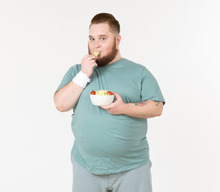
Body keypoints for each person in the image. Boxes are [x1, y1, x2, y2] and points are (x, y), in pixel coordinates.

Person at [54, 13, 165, 192]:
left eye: (103, 38)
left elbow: (157, 107)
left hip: (132, 167)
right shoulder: (77, 72)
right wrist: (84, 75)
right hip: (86, 166)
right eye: (92, 38)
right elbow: (60, 104)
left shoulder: (139, 72)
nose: (95, 45)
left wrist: (124, 108)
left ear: (117, 40)